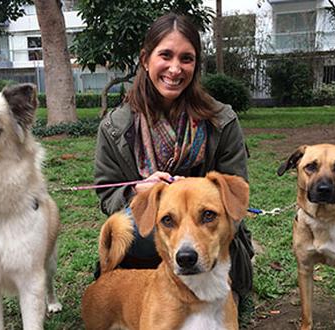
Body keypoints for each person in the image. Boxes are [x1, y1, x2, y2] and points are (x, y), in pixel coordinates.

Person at [93, 13, 254, 304]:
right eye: (165, 55)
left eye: (187, 58)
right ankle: (149, 291)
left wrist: (205, 207)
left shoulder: (222, 121)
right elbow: (107, 194)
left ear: (196, 64)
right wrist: (136, 192)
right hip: (146, 247)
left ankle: (209, 290)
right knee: (139, 227)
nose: (175, 69)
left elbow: (237, 201)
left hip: (211, 254)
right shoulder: (115, 127)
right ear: (145, 59)